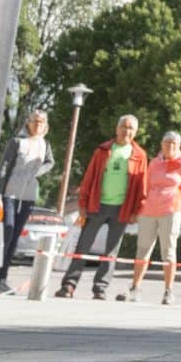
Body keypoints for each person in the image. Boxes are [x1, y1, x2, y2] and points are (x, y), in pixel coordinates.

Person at [55, 115, 147, 300]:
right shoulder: (103, 150)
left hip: (122, 208)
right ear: (117, 128)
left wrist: (137, 210)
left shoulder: (140, 155)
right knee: (83, 245)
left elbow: (142, 186)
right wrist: (82, 204)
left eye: (131, 128)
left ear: (135, 132)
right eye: (124, 127)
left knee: (111, 251)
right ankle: (69, 285)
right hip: (97, 205)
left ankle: (100, 288)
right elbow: (89, 178)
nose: (126, 131)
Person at [119, 131, 181, 304]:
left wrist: (176, 200)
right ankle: (135, 287)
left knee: (168, 250)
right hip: (149, 210)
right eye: (168, 142)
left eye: (174, 143)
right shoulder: (154, 162)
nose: (171, 146)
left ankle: (168, 291)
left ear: (179, 146)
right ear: (162, 144)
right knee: (142, 249)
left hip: (171, 209)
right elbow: (146, 184)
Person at [0, 110, 51, 296]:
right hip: (9, 194)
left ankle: (2, 279)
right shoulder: (17, 142)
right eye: (35, 121)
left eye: (42, 122)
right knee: (6, 232)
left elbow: (50, 162)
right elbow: (3, 168)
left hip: (28, 197)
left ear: (46, 126)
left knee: (14, 239)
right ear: (28, 123)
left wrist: (38, 170)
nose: (38, 125)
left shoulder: (44, 144)